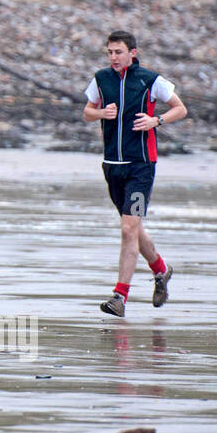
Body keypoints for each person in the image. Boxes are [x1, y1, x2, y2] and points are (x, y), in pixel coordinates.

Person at [83, 30, 187, 317]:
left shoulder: (151, 80)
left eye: (118, 52)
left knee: (128, 229)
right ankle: (161, 271)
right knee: (134, 228)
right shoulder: (101, 79)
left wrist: (157, 120)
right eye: (110, 52)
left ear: (133, 53)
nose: (113, 57)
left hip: (141, 166)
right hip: (112, 166)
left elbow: (181, 108)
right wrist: (101, 114)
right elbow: (87, 111)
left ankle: (120, 297)